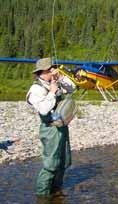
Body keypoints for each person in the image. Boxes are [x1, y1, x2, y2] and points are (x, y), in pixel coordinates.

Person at [26, 57, 76, 196]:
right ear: (41, 72)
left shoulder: (55, 81)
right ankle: (42, 196)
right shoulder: (35, 89)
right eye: (50, 70)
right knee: (51, 165)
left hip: (62, 126)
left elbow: (72, 88)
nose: (53, 71)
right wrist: (52, 92)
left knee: (63, 161)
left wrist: (60, 78)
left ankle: (56, 191)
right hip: (50, 129)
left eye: (54, 69)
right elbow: (43, 109)